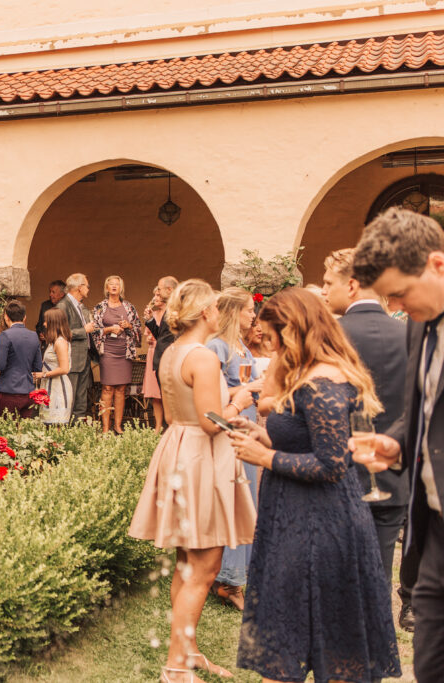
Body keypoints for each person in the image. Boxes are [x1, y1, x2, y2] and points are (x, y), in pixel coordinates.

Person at [228, 287, 400, 683]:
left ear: (294, 332)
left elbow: (332, 464)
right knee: (288, 636)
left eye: (272, 339)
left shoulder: (322, 383)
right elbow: (303, 440)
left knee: (326, 646)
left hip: (320, 528)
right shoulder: (306, 375)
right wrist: (260, 434)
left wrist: (265, 458)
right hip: (292, 517)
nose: (270, 349)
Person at [129, 279, 256, 681]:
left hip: (179, 446)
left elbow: (173, 415)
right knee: (204, 565)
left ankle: (188, 651)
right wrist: (242, 398)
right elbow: (212, 421)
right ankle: (175, 667)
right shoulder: (202, 357)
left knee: (188, 563)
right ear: (206, 313)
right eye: (217, 307)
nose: (221, 314)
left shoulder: (172, 352)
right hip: (202, 453)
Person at [351, 207, 444, 679]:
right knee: (429, 663)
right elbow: (423, 409)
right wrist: (396, 444)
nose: (399, 308)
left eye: (402, 294)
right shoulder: (419, 324)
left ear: (438, 264)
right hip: (434, 532)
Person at [322, 246, 411, 625]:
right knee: (380, 563)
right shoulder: (410, 335)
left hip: (336, 472)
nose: (325, 292)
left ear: (353, 285)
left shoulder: (330, 336)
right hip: (393, 471)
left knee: (337, 573)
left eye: (329, 283)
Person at [204, 286, 264, 610]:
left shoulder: (241, 345)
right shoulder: (217, 346)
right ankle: (227, 579)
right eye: (247, 309)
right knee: (234, 502)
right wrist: (246, 391)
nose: (253, 314)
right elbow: (209, 397)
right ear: (232, 312)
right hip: (230, 429)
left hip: (247, 428)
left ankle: (237, 575)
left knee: (247, 502)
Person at [91, 275, 142, 433]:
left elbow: (138, 328)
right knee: (107, 388)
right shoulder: (100, 307)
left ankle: (118, 426)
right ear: (107, 288)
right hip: (107, 352)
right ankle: (106, 427)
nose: (114, 287)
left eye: (117, 285)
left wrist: (129, 326)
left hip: (124, 352)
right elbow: (92, 330)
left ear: (121, 288)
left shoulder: (129, 307)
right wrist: (108, 329)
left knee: (121, 389)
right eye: (111, 284)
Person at [0, 300, 42, 418]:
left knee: (6, 430)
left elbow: (1, 364)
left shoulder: (6, 335)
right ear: (24, 317)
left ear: (6, 317)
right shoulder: (34, 335)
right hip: (28, 391)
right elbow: (38, 367)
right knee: (23, 431)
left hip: (8, 390)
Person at [57, 274, 96, 421]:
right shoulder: (63, 305)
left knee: (81, 397)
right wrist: (83, 331)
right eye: (87, 286)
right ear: (79, 288)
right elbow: (60, 332)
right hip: (71, 359)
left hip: (83, 357)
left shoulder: (80, 306)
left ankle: (78, 428)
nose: (88, 289)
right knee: (70, 395)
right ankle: (66, 428)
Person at [34, 307, 72, 425]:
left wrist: (43, 374)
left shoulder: (60, 342)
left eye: (46, 321)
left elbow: (64, 368)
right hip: (51, 386)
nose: (44, 324)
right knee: (47, 425)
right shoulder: (54, 341)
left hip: (58, 388)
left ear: (53, 322)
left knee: (56, 426)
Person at [144, 275, 179, 388]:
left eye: (159, 289)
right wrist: (150, 320)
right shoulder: (170, 307)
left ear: (169, 289)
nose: (157, 292)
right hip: (164, 362)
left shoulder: (178, 307)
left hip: (171, 362)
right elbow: (161, 335)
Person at [142, 287, 166, 433]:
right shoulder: (154, 314)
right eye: (154, 294)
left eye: (158, 294)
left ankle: (169, 423)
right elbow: (148, 336)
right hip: (153, 353)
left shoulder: (172, 314)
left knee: (167, 391)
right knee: (156, 393)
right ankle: (158, 425)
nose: (155, 297)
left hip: (167, 353)